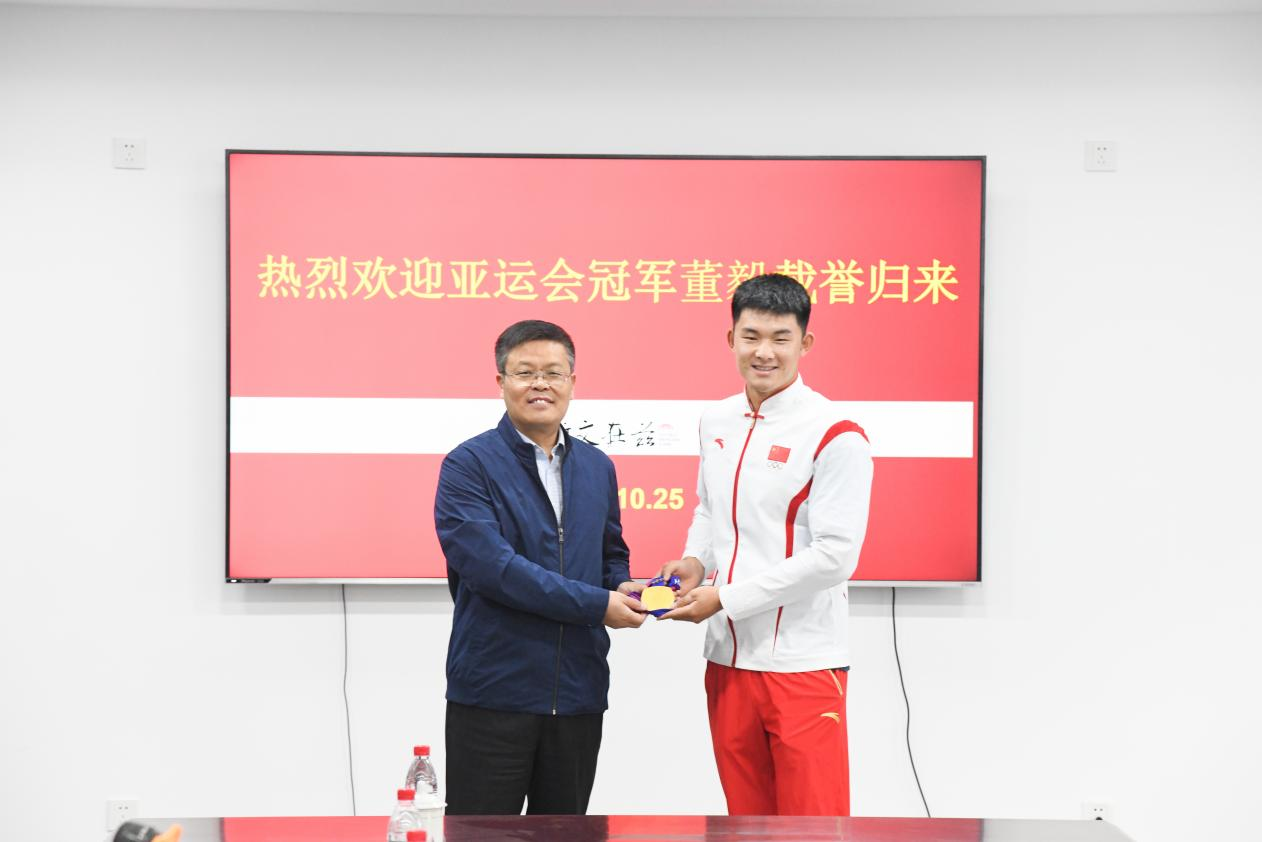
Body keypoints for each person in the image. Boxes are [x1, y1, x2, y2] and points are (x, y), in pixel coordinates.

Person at [652, 274, 874, 816]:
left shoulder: (836, 432)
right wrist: (696, 561)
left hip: (803, 664)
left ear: (805, 343)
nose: (764, 352)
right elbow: (709, 509)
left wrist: (725, 598)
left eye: (780, 338)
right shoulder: (716, 419)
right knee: (745, 821)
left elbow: (834, 557)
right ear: (731, 339)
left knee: (812, 825)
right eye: (751, 336)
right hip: (727, 661)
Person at [434, 319, 645, 816]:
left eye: (553, 372)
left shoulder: (597, 465)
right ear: (501, 381)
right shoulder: (468, 465)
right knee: (481, 834)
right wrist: (597, 604)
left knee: (567, 832)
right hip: (493, 692)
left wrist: (624, 585)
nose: (540, 384)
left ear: (572, 381)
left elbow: (610, 551)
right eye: (525, 372)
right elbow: (495, 570)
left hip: (578, 691)